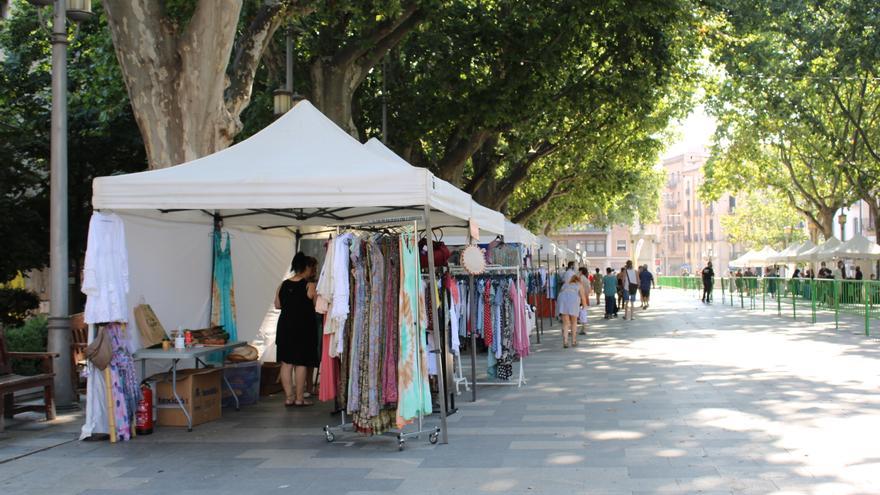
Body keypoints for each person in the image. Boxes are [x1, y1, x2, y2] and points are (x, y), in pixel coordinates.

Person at [275, 253, 320, 407]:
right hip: (303, 327)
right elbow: (316, 304)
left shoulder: (283, 284)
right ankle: (300, 398)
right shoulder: (309, 285)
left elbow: (277, 305)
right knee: (301, 363)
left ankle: (289, 397)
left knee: (286, 363)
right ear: (305, 267)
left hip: (285, 327)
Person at [557, 272, 587, 348]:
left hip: (563, 300)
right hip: (573, 300)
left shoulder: (565, 284)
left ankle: (565, 342)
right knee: (574, 322)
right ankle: (573, 341)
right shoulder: (579, 285)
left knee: (565, 323)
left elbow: (560, 294)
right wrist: (584, 307)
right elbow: (583, 297)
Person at [577, 267, 592, 335]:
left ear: (581, 271)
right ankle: (584, 328)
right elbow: (589, 289)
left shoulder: (580, 278)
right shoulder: (586, 279)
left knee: (580, 313)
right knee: (583, 313)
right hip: (585, 297)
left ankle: (583, 329)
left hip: (580, 297)